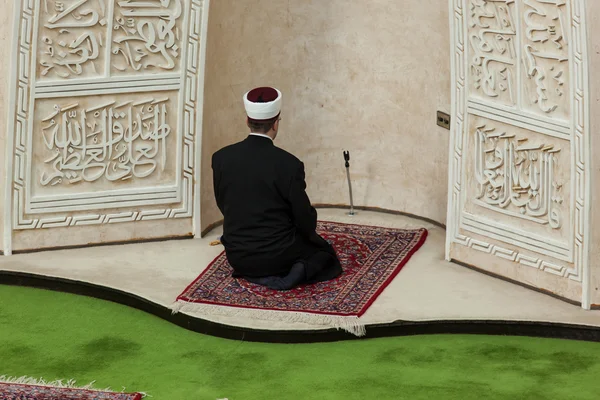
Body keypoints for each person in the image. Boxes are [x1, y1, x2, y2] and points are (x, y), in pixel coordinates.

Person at [211, 86, 343, 290]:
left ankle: (254, 276)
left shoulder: (220, 158)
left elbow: (223, 203)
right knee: (325, 254)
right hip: (278, 258)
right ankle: (289, 277)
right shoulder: (289, 165)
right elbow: (305, 220)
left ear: (247, 120)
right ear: (275, 124)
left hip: (238, 256)